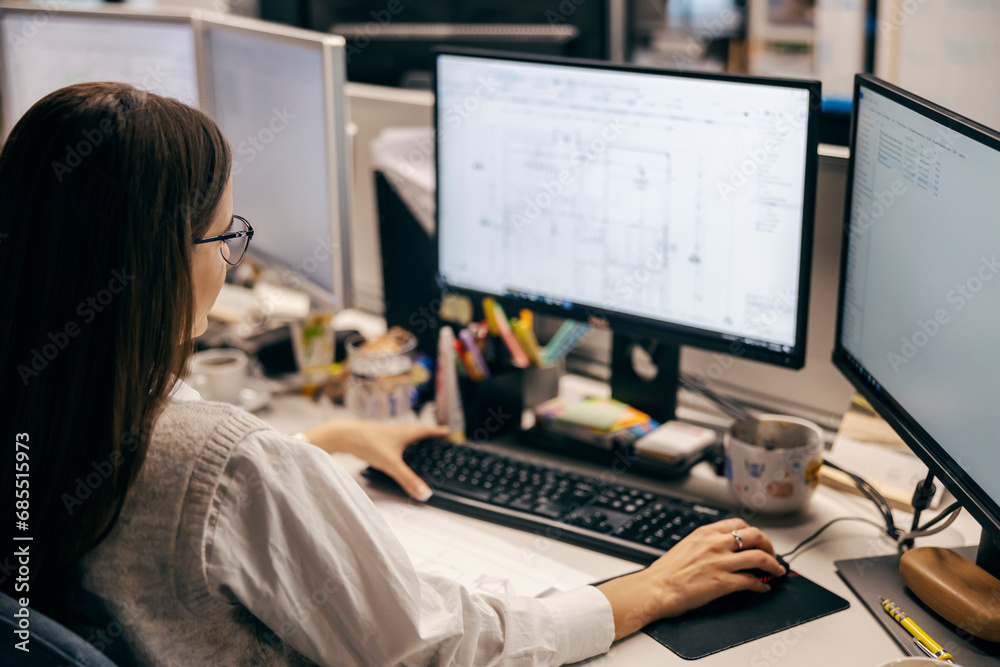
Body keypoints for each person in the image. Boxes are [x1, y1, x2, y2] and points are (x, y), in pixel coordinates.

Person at [0, 82, 785, 666]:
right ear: (161, 264)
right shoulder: (231, 463)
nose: (231, 268)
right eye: (222, 239)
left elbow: (168, 471)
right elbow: (429, 646)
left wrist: (322, 437)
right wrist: (644, 590)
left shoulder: (42, 398)